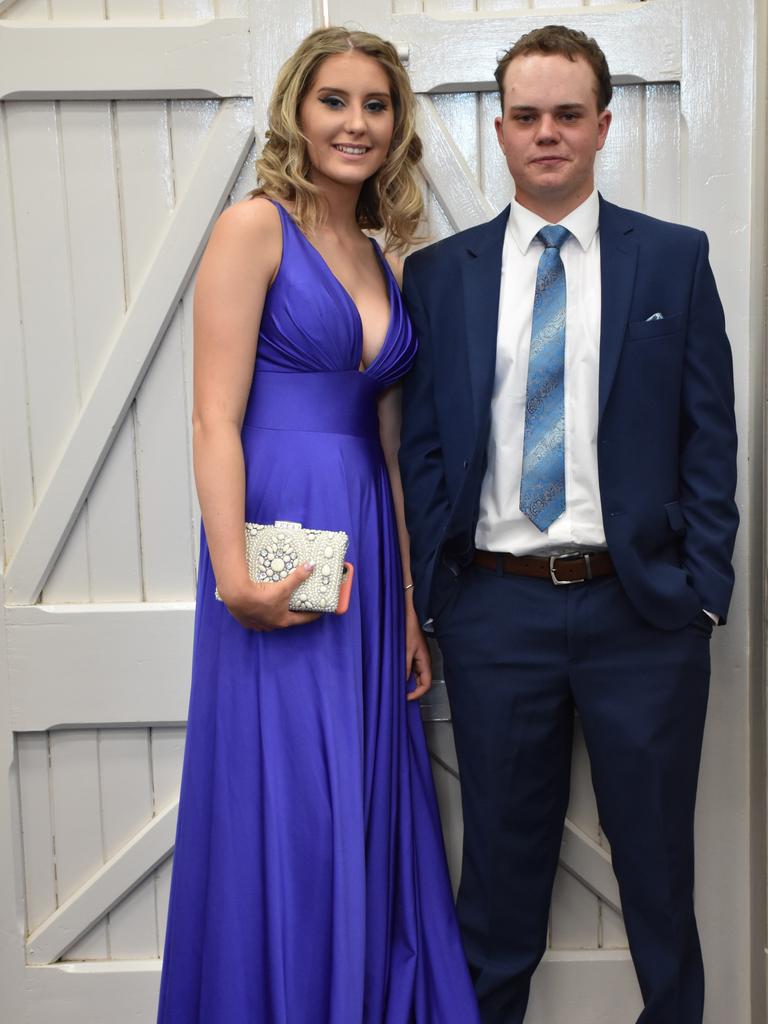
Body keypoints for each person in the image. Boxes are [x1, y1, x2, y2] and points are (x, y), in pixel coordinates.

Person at [399, 24, 738, 1024]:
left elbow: (709, 437)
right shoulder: (442, 275)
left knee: (659, 881)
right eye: (528, 117)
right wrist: (438, 599)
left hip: (643, 617)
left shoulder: (673, 261)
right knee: (498, 886)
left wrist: (700, 590)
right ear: (499, 130)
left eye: (569, 115)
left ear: (601, 125)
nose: (548, 134)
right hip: (496, 617)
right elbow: (423, 450)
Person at [157, 26, 480, 1024]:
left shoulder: (382, 256)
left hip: (367, 558)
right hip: (275, 543)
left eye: (376, 105)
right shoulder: (253, 228)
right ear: (299, 111)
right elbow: (214, 415)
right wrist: (231, 573)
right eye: (334, 100)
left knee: (366, 785)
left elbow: (384, 447)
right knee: (292, 793)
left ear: (397, 125)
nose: (356, 123)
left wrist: (411, 606)